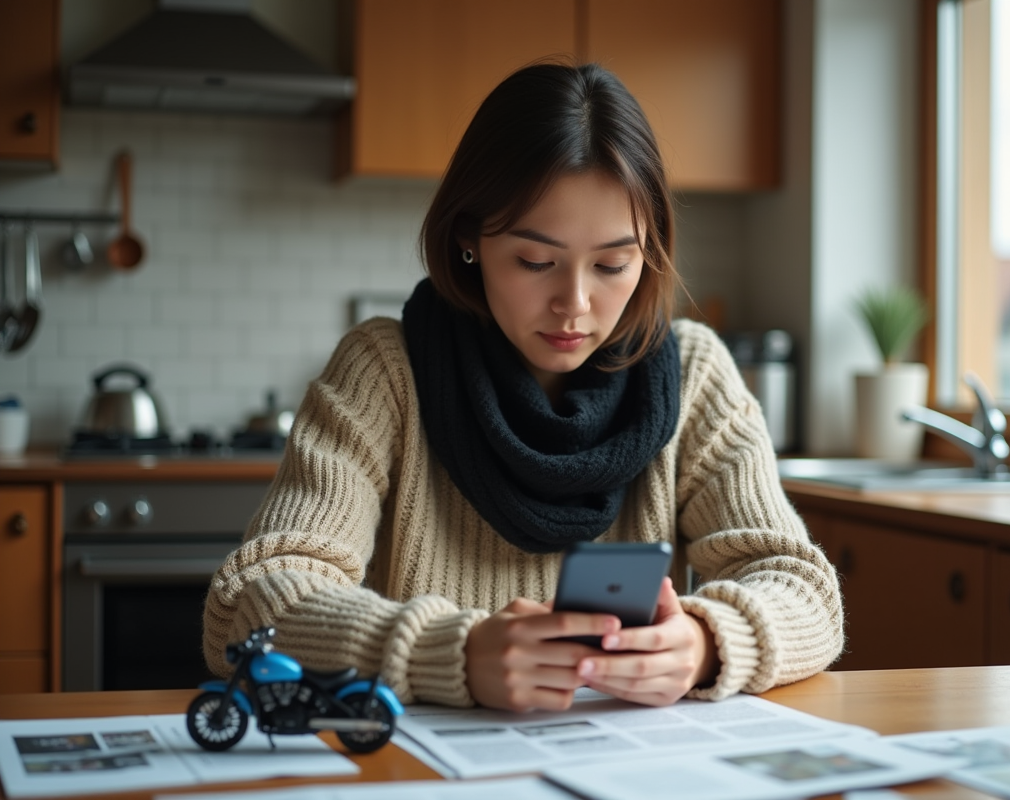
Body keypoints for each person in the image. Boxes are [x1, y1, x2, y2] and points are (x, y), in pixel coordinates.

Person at [203, 61, 843, 712]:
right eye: (535, 261)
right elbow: (253, 599)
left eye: (613, 264)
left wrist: (707, 640)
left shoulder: (694, 372)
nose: (575, 302)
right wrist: (451, 653)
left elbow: (804, 589)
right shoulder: (383, 372)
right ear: (469, 239)